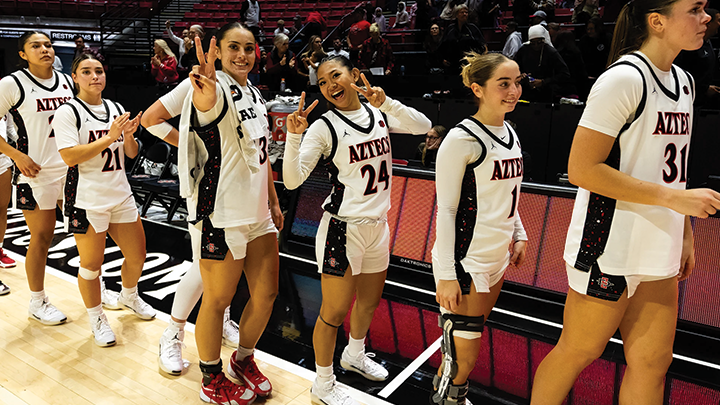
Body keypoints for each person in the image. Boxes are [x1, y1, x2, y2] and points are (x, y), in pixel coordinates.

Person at [531, 2, 720, 404]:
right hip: (609, 246)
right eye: (695, 9)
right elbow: (583, 169)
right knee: (578, 351)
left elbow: (673, 171)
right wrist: (675, 199)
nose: (706, 17)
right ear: (657, 21)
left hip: (659, 244)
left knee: (652, 364)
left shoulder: (684, 81)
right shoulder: (624, 78)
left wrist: (683, 233)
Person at [283, 55, 432, 405]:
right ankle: (323, 382)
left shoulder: (379, 113)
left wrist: (388, 102)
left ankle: (354, 355)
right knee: (333, 313)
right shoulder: (324, 127)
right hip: (342, 230)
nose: (330, 85)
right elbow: (292, 181)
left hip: (378, 226)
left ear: (354, 76)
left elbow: (423, 125)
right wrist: (293, 137)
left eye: (336, 75)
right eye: (322, 82)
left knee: (368, 302)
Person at [183, 22, 283, 404]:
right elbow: (205, 106)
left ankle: (243, 359)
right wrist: (206, 84)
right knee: (218, 299)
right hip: (221, 213)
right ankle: (210, 374)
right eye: (233, 48)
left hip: (258, 212)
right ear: (219, 52)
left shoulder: (255, 92)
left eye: (249, 48)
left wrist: (273, 200)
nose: (242, 55)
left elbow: (261, 155)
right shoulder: (211, 87)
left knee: (267, 293)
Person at [431, 51, 528, 405]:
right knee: (461, 360)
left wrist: (519, 233)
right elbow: (446, 211)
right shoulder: (461, 140)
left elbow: (507, 194)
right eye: (503, 83)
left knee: (462, 354)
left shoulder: (510, 131)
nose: (513, 90)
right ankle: (448, 400)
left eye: (517, 82)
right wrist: (446, 275)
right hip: (465, 266)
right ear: (478, 88)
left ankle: (453, 398)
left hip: (497, 259)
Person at [53, 54, 157, 347]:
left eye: (98, 71)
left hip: (120, 194)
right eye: (86, 71)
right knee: (91, 264)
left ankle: (129, 295)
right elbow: (70, 156)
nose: (94, 76)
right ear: (75, 77)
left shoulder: (115, 107)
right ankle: (97, 317)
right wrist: (110, 137)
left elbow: (132, 153)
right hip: (87, 198)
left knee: (137, 256)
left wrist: (128, 136)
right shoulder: (68, 112)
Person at [0, 31, 75, 325]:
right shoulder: (12, 84)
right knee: (42, 237)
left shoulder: (68, 82)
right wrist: (16, 155)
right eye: (36, 46)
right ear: (22, 54)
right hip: (36, 173)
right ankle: (37, 300)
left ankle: (97, 288)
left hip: (70, 170)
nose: (44, 49)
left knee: (85, 233)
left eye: (48, 44)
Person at [514, 25, 573, 102]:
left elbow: (564, 74)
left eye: (539, 42)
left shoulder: (551, 52)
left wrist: (543, 82)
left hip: (546, 93)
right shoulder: (523, 50)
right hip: (525, 91)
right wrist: (520, 75)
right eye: (533, 43)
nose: (536, 46)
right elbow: (515, 67)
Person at [674, 8, 720, 107]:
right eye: (718, 20)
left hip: (702, 101)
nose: (719, 24)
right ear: (708, 22)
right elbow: (681, 72)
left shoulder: (708, 43)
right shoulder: (690, 45)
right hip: (687, 99)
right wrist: (703, 89)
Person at [442, 5, 487, 74]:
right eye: (462, 12)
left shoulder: (473, 28)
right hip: (452, 64)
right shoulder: (450, 29)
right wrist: (443, 58)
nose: (464, 14)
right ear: (456, 15)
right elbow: (443, 45)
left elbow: (483, 45)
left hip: (470, 63)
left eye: (466, 12)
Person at [0, 111, 17, 275]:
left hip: (2, 158)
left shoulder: (4, 94)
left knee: (2, 208)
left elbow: (11, 128)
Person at [554, 30, 587, 99]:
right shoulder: (576, 53)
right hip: (573, 89)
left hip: (558, 89)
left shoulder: (556, 54)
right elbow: (581, 74)